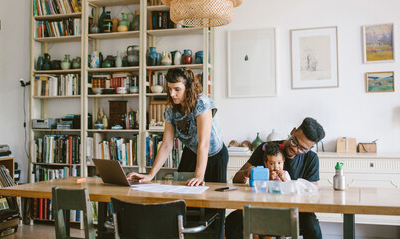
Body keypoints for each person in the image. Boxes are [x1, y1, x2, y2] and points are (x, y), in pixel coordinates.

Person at [127, 67, 228, 239]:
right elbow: (166, 145)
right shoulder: (171, 111)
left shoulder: (202, 103)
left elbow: (203, 143)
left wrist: (199, 176)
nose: (173, 94)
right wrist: (151, 174)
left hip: (215, 155)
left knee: (214, 206)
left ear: (188, 88)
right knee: (183, 201)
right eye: (170, 89)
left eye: (177, 89)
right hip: (191, 153)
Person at [225, 117, 326, 239]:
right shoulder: (267, 149)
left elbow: (311, 196)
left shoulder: (311, 159)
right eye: (294, 142)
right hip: (262, 208)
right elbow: (236, 179)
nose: (295, 148)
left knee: (313, 228)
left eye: (302, 149)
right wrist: (248, 172)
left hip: (296, 212)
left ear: (310, 149)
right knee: (233, 221)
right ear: (293, 131)